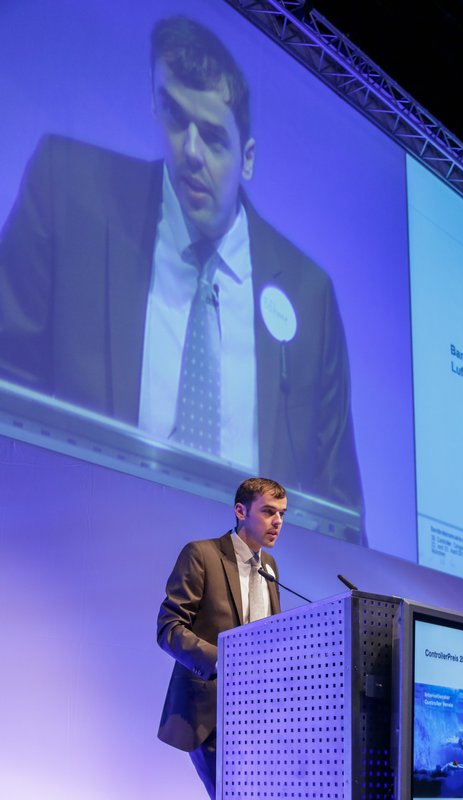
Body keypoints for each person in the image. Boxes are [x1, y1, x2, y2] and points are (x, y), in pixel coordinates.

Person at [0, 15, 365, 541]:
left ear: (248, 158)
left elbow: (340, 516)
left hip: (246, 584)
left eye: (213, 137)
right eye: (175, 118)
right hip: (71, 548)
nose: (190, 151)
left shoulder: (310, 295)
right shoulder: (69, 193)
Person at [157, 476, 287, 799]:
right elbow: (169, 627)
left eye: (282, 514)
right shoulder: (202, 555)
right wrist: (224, 660)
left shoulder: (269, 567)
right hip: (211, 711)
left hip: (260, 716)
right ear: (240, 511)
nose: (278, 521)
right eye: (268, 511)